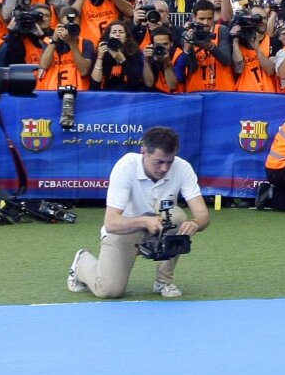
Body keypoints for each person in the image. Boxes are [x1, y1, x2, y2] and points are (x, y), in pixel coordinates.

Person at [67, 126, 209, 299]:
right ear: (144, 152)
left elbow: (203, 215)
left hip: (160, 229)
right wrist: (144, 221)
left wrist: (195, 223)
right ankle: (81, 262)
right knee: (109, 290)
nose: (165, 168)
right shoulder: (125, 167)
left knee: (177, 217)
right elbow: (111, 223)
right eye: (159, 162)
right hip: (125, 230)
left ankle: (164, 282)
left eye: (169, 161)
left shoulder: (183, 168)